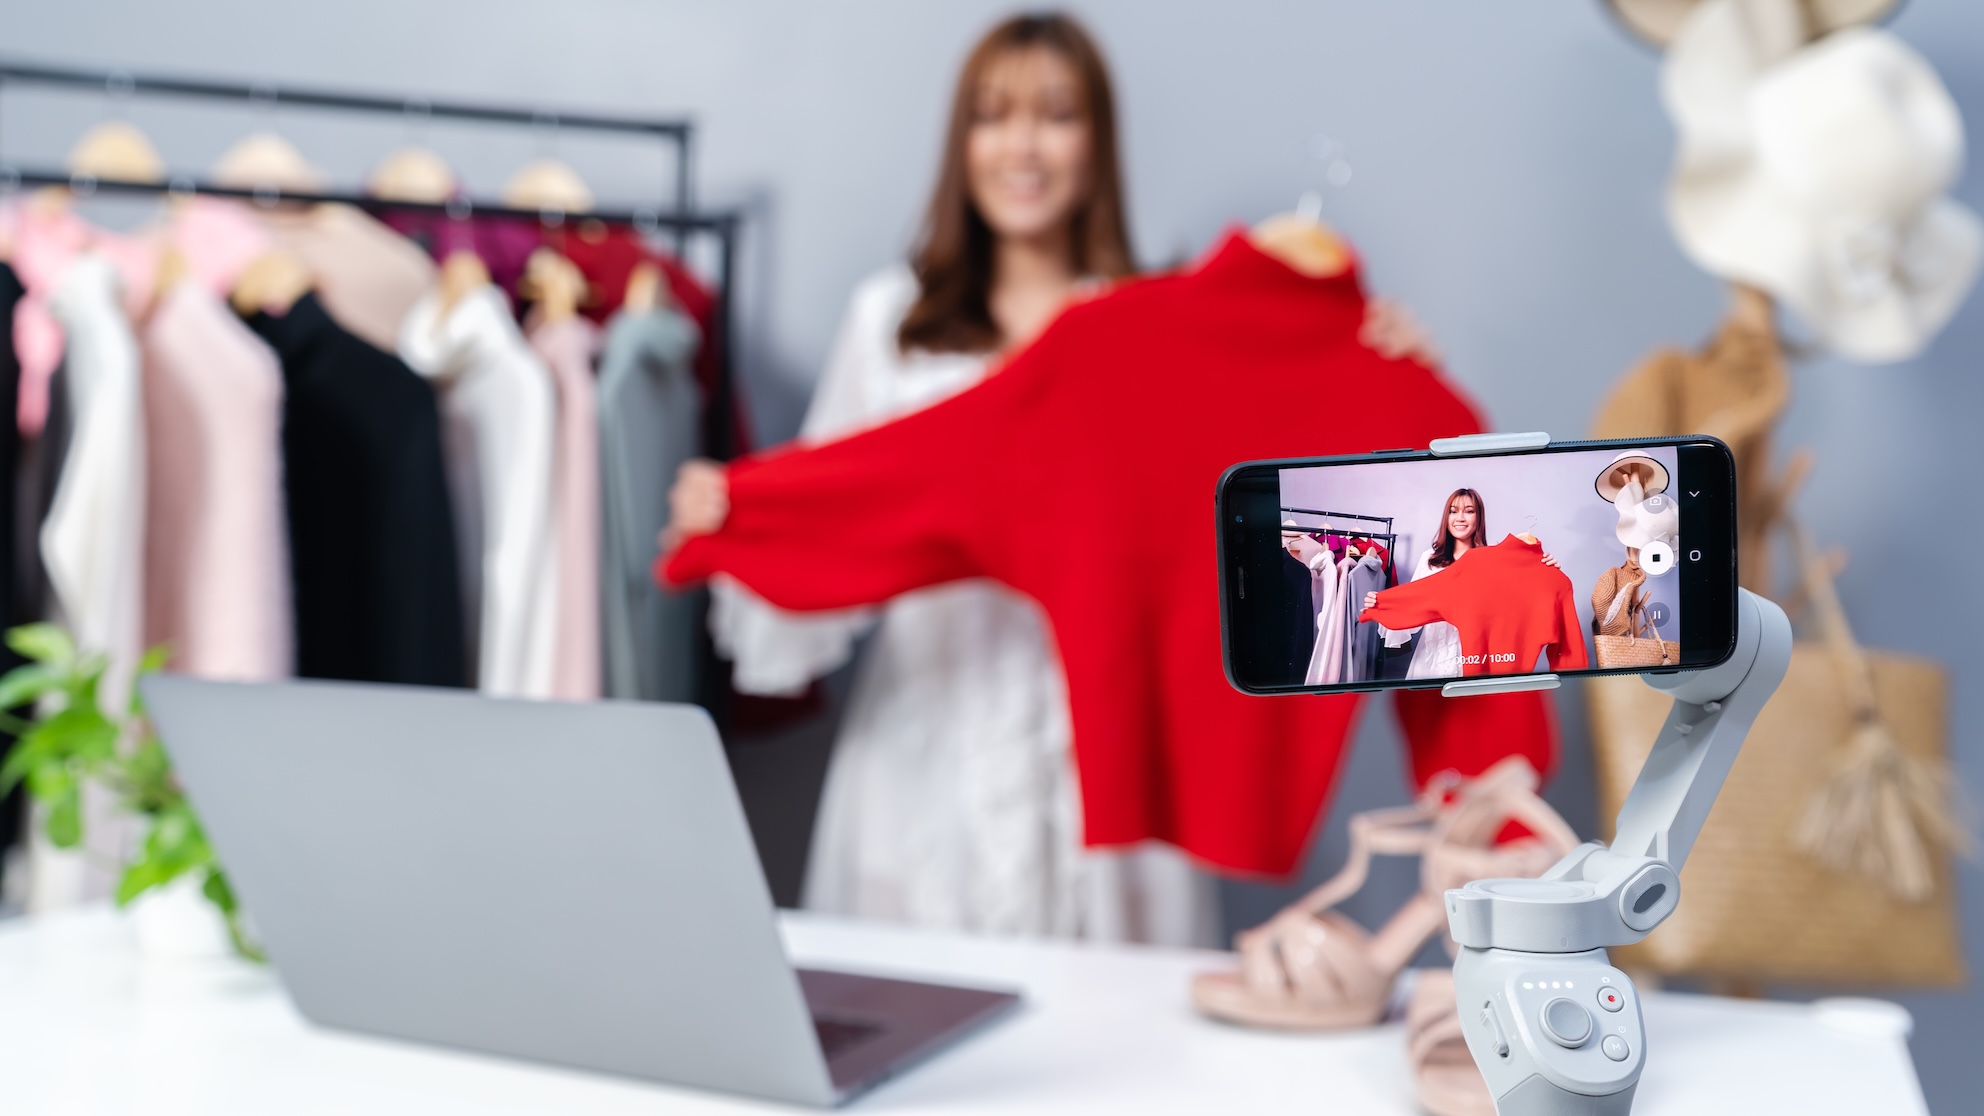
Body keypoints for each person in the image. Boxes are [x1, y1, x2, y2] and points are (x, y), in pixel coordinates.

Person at [673, 12, 1441, 944]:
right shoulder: (890, 322)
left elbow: (1276, 510)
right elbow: (847, 494)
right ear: (961, 142)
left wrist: (1378, 376)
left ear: (1098, 141)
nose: (1022, 146)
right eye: (993, 116)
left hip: (1108, 767)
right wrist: (751, 514)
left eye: (1056, 115)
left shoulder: (1161, 334)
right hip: (926, 774)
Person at [1364, 488, 1558, 679]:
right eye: (1453, 511)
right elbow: (1411, 606)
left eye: (1469, 511)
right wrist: (1383, 605)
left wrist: (1544, 569)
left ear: (1479, 517)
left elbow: (1519, 604)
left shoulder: (1494, 562)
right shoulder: (1429, 560)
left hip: (1478, 658)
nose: (1460, 518)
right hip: (1432, 658)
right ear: (1446, 517)